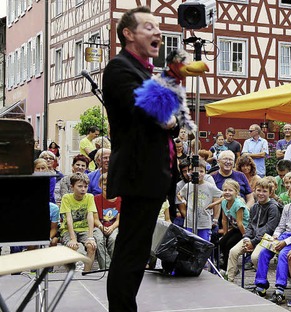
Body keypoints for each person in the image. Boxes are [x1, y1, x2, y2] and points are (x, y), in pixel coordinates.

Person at [102, 7, 181, 310]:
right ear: (128, 34)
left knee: (136, 251)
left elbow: (168, 119)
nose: (157, 33)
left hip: (153, 173)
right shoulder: (120, 68)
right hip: (139, 172)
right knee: (131, 252)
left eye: (158, 28)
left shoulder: (145, 72)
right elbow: (158, 114)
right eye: (149, 27)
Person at [253, 180, 291, 302]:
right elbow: (281, 225)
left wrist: (285, 242)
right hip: (283, 236)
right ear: (289, 192)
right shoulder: (287, 207)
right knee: (263, 253)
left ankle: (280, 288)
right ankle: (261, 284)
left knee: (283, 255)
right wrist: (276, 236)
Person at [60, 172, 97, 272]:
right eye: (80, 186)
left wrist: (90, 237)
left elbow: (90, 216)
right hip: (69, 229)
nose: (83, 189)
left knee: (91, 246)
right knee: (75, 246)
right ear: (72, 187)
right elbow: (68, 219)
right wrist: (73, 238)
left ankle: (86, 272)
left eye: (85, 186)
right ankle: (74, 271)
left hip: (84, 229)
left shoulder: (90, 197)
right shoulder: (66, 198)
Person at [177, 160, 222, 242]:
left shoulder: (209, 186)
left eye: (201, 171)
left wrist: (213, 204)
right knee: (190, 244)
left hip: (204, 223)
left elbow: (223, 196)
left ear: (205, 172)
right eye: (196, 171)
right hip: (190, 222)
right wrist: (184, 201)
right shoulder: (188, 186)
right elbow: (179, 194)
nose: (199, 174)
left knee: (203, 244)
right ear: (191, 172)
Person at [218, 178, 250, 277]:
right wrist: (225, 234)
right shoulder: (224, 202)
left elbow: (240, 223)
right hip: (236, 228)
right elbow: (224, 220)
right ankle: (228, 267)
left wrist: (246, 237)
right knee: (222, 243)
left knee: (229, 245)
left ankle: (229, 268)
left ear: (236, 192)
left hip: (245, 229)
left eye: (230, 190)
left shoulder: (238, 205)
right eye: (225, 190)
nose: (227, 192)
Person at [93, 173, 121, 270]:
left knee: (114, 239)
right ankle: (105, 268)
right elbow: (95, 219)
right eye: (105, 184)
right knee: (99, 239)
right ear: (100, 185)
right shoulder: (95, 199)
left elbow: (119, 220)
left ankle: (115, 266)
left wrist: (112, 228)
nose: (108, 187)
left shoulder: (120, 199)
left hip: (114, 226)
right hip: (99, 227)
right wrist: (102, 227)